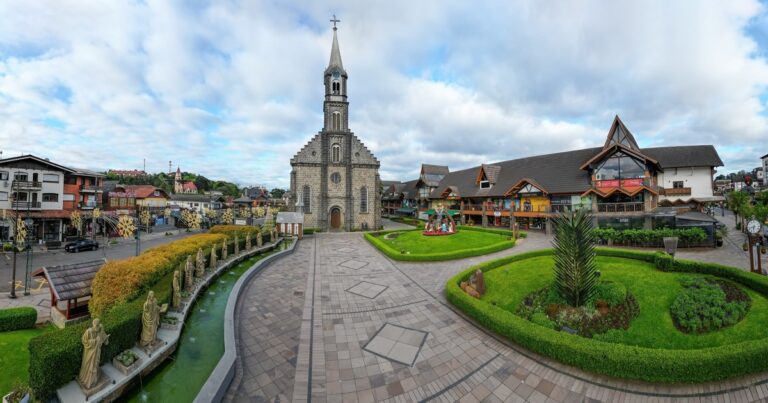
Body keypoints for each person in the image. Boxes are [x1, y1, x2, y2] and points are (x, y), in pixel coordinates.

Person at [78, 319, 109, 389]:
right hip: (90, 353)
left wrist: (106, 339)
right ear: (93, 324)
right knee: (89, 365)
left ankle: (94, 379)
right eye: (96, 326)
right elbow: (84, 341)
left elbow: (105, 339)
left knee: (96, 364)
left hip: (97, 352)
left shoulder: (100, 329)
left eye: (98, 326)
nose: (97, 328)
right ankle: (89, 380)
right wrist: (94, 341)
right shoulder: (88, 331)